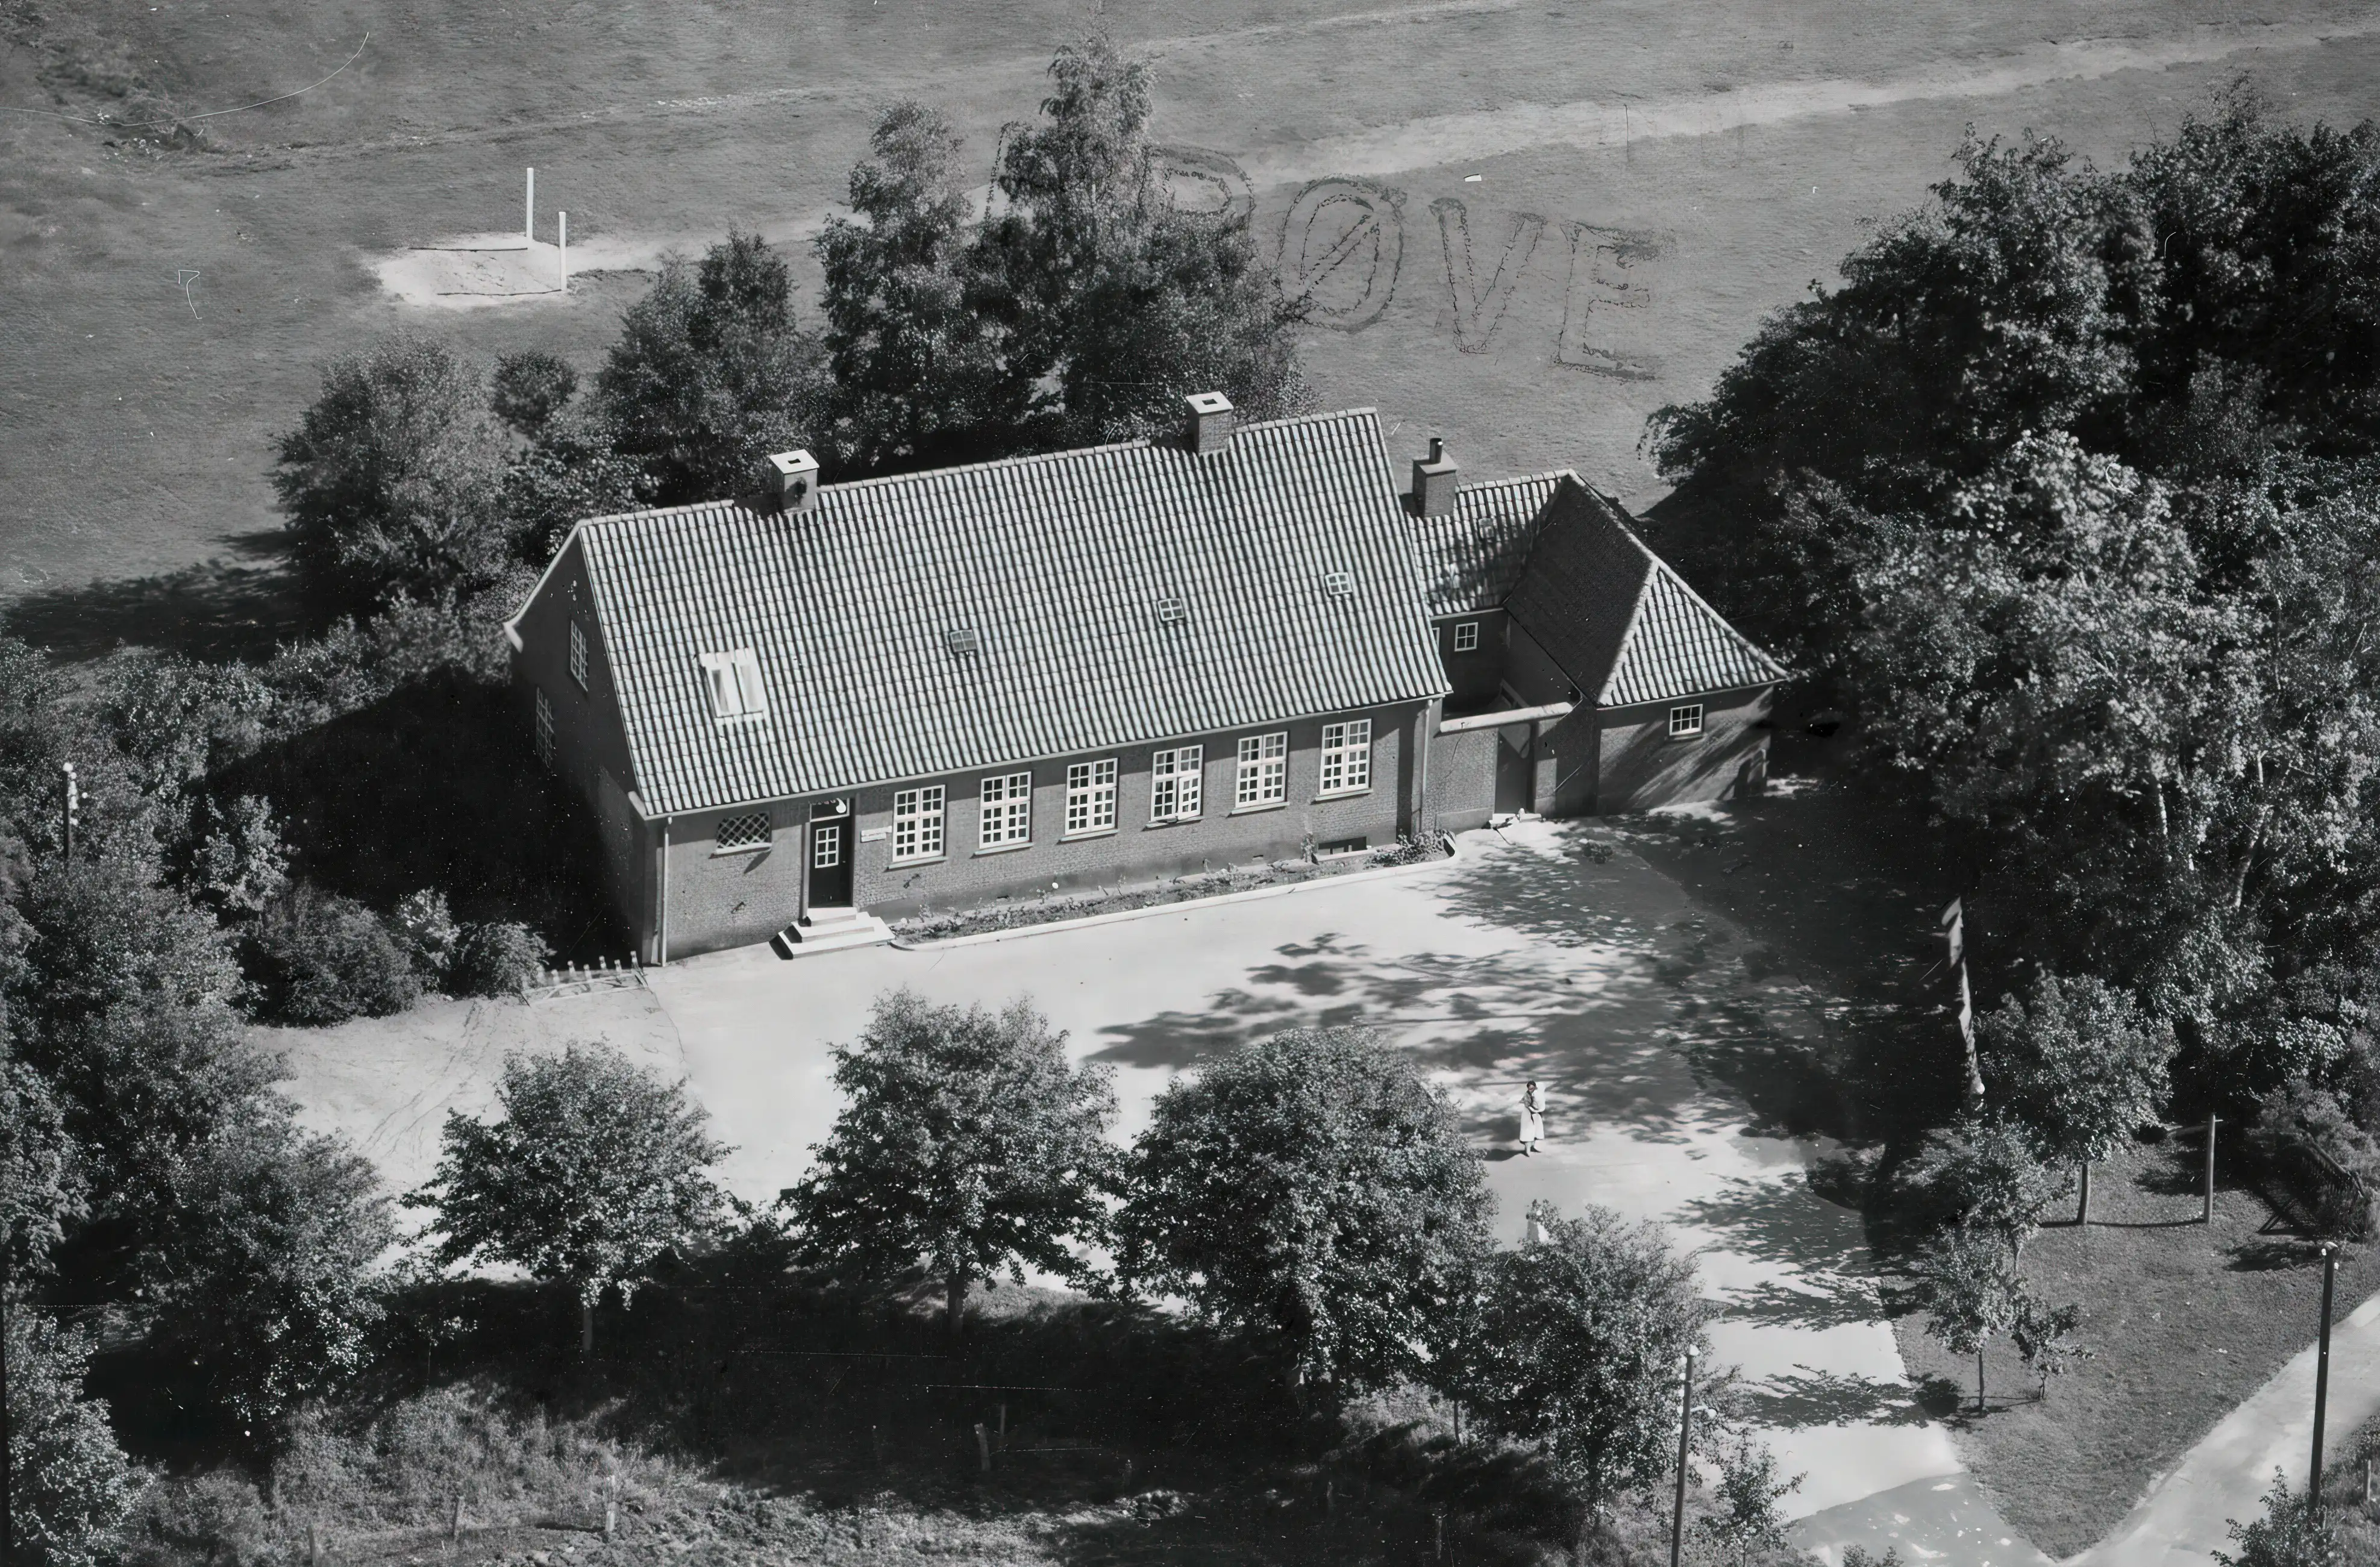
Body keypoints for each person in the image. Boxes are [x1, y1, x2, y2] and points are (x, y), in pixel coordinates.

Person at [1518, 1080, 1544, 1156]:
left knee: (1537, 1131)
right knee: (1529, 1132)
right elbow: (1528, 1106)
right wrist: (1535, 1111)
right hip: (1528, 1114)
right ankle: (1527, 1150)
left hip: (1536, 1114)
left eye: (1533, 1088)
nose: (1531, 1090)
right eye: (1530, 1089)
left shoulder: (1537, 1093)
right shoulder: (1527, 1095)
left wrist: (1539, 1111)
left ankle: (1533, 1147)